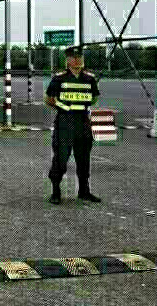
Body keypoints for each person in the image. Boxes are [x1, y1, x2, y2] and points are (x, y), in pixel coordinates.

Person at [44, 46, 101, 205]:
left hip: (83, 122)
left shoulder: (89, 79)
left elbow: (94, 98)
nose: (77, 61)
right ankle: (56, 192)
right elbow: (49, 99)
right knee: (61, 158)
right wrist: (64, 108)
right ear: (67, 60)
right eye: (74, 58)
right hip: (65, 123)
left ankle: (84, 191)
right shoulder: (59, 79)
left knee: (84, 159)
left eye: (80, 57)